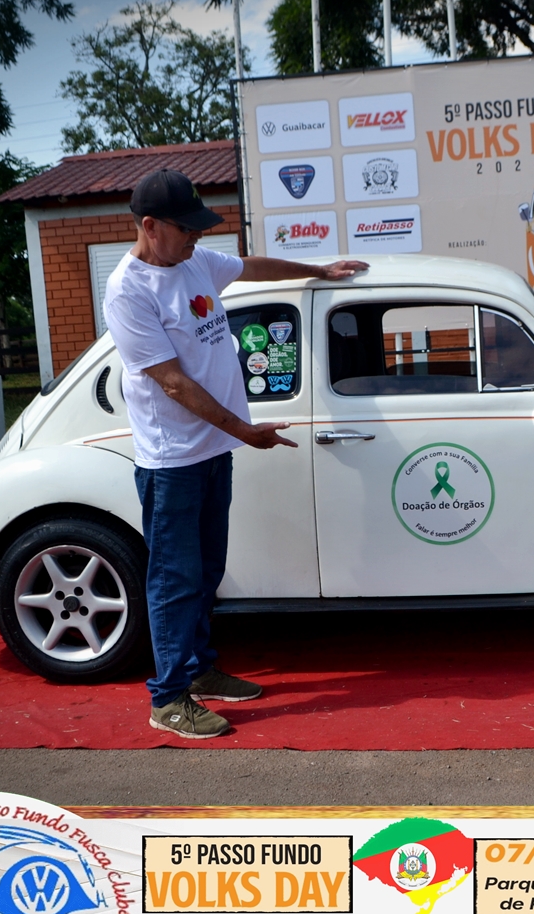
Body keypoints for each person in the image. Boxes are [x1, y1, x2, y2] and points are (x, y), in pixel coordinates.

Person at [103, 169, 367, 739]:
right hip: (173, 461)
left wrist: (317, 270)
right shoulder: (129, 290)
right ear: (150, 227)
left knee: (207, 571)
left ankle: (199, 671)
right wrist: (246, 432)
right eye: (186, 228)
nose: (197, 236)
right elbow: (172, 382)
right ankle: (168, 698)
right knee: (174, 579)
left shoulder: (193, 261)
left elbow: (251, 267)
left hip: (211, 450)